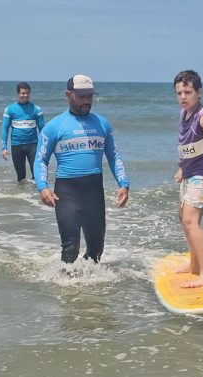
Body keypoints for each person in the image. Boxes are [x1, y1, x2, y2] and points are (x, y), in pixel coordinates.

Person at [34, 74, 130, 264]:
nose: (87, 101)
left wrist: (124, 184)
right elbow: (40, 159)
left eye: (90, 96)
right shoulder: (54, 126)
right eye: (82, 96)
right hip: (67, 192)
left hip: (94, 191)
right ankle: (66, 291)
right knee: (70, 248)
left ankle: (90, 292)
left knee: (96, 251)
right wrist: (42, 187)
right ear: (68, 95)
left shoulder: (102, 123)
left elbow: (113, 156)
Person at [172, 70, 203, 288]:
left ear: (199, 92)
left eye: (188, 92)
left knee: (192, 220)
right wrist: (182, 168)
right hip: (190, 173)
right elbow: (187, 146)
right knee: (184, 218)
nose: (183, 97)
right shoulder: (184, 114)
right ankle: (194, 264)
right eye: (179, 93)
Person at [1, 82, 45, 182]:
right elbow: (4, 128)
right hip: (17, 146)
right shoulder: (9, 109)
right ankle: (23, 196)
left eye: (27, 93)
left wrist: (46, 146)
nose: (25, 95)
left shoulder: (36, 109)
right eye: (23, 93)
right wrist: (4, 148)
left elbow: (42, 128)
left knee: (37, 174)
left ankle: (35, 195)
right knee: (20, 177)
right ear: (18, 93)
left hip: (33, 146)